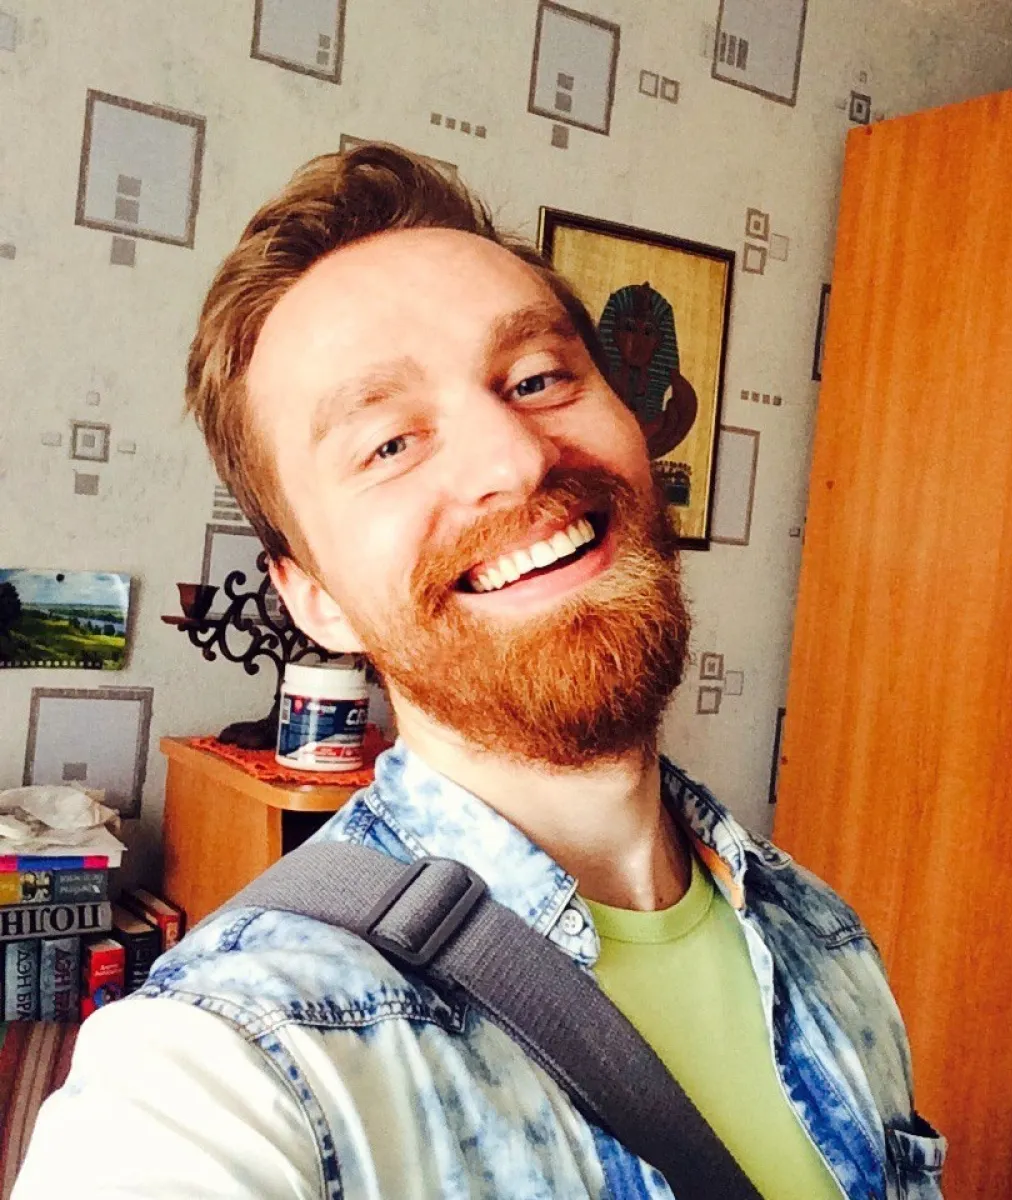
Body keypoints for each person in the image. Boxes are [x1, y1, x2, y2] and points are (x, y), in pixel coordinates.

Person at [14, 143, 945, 1200]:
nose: (516, 457)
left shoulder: (822, 935)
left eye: (539, 379)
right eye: (389, 444)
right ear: (313, 597)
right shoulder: (228, 1059)